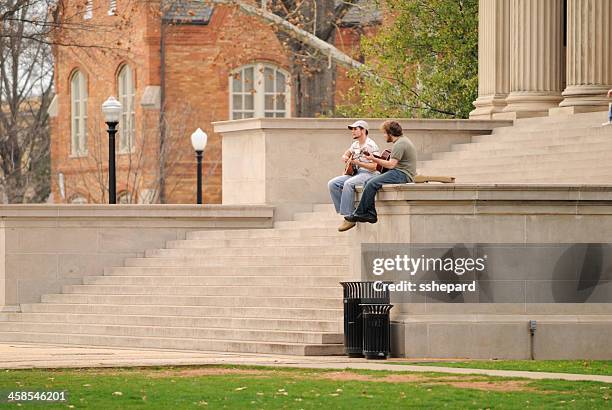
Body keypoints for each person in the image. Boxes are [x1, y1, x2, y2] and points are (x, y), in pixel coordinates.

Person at [339, 120, 417, 232]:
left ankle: (360, 213)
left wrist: (374, 159)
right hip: (398, 171)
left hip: (402, 174)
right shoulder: (401, 141)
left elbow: (391, 165)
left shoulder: (400, 144)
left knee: (371, 182)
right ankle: (370, 213)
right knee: (368, 182)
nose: (384, 136)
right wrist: (374, 158)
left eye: (385, 133)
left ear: (390, 133)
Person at [328, 120, 380, 232]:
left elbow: (375, 166)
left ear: (363, 130)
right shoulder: (355, 144)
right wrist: (345, 157)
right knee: (333, 184)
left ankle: (349, 217)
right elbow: (347, 153)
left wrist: (357, 163)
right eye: (352, 129)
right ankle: (347, 212)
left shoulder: (370, 145)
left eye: (355, 129)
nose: (353, 131)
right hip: (356, 173)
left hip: (369, 173)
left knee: (348, 183)